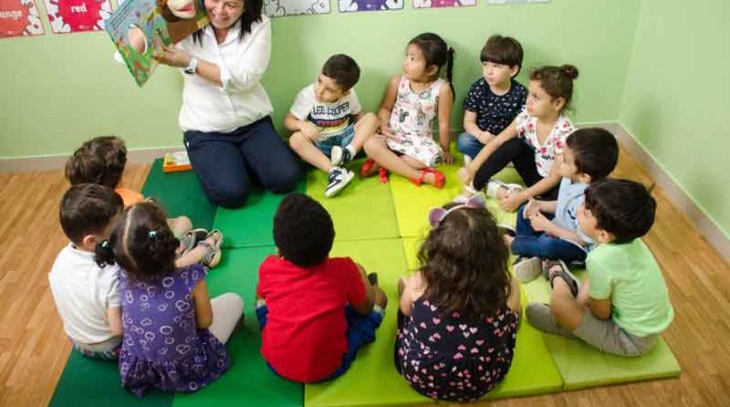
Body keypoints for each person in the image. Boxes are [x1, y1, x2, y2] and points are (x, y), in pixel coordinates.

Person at [153, 0, 300, 208]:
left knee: (286, 178)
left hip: (252, 123)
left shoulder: (258, 25)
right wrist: (162, 15)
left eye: (231, 5)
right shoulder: (183, 24)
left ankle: (240, 162)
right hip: (206, 129)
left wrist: (190, 62)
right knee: (232, 195)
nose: (220, 11)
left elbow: (244, 79)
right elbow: (133, 51)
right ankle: (227, 164)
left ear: (245, 4)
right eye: (213, 0)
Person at [96, 201, 244, 396]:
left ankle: (200, 249)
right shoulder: (190, 277)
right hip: (186, 366)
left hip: (141, 366)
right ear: (166, 242)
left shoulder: (121, 275)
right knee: (235, 300)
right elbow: (205, 322)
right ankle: (205, 247)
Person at [525, 179, 674, 357]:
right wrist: (581, 304)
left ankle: (558, 276)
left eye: (586, 212)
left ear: (603, 234)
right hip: (643, 327)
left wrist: (575, 314)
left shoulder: (602, 259)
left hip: (630, 340)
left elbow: (601, 313)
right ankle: (565, 286)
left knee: (559, 307)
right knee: (590, 290)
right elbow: (597, 278)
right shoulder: (629, 242)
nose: (579, 209)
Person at [396, 193, 521, 402]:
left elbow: (405, 311)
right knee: (512, 316)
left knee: (410, 302)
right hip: (483, 380)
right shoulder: (507, 287)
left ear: (436, 248)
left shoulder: (422, 281)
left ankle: (405, 288)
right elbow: (513, 321)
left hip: (422, 376)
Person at [255, 193, 388, 382]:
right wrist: (359, 272)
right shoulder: (345, 269)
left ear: (279, 249)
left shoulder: (268, 267)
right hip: (330, 368)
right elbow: (365, 308)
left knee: (262, 304)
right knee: (380, 299)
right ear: (330, 242)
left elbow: (261, 298)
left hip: (275, 363)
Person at [459, 65, 580, 211]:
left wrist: (521, 197)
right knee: (513, 144)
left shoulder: (564, 133)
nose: (528, 101)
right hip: (535, 173)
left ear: (557, 103)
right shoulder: (527, 116)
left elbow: (554, 178)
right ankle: (475, 186)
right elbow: (497, 141)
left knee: (559, 205)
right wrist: (472, 168)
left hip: (553, 184)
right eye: (529, 94)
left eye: (536, 97)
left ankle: (501, 191)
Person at [508, 128, 619, 279]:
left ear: (584, 176)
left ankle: (516, 244)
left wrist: (549, 227)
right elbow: (563, 206)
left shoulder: (592, 201)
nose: (559, 160)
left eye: (565, 160)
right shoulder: (570, 177)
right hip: (558, 226)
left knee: (548, 245)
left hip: (576, 247)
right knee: (524, 211)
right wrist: (540, 205)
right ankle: (532, 253)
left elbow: (583, 240)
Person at [362, 32, 455, 188]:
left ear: (431, 69)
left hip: (419, 141)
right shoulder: (397, 82)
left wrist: (445, 149)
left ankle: (386, 163)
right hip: (392, 135)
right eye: (407, 56)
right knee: (370, 144)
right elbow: (385, 108)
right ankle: (419, 176)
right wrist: (384, 126)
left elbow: (444, 123)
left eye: (413, 59)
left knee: (435, 157)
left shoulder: (443, 89)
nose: (406, 62)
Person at [285, 54, 379, 197]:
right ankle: (335, 172)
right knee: (295, 139)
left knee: (372, 118)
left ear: (344, 92)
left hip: (345, 142)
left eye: (329, 89)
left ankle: (348, 154)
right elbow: (288, 121)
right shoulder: (308, 95)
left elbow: (359, 115)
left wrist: (370, 131)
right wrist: (301, 125)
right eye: (319, 81)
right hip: (320, 144)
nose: (320, 90)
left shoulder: (350, 95)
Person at [48, 184, 124, 360]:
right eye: (116, 228)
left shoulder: (62, 257)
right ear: (91, 241)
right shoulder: (110, 274)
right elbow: (117, 330)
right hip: (109, 346)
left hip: (76, 339)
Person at [65, 135, 193, 238]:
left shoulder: (81, 206)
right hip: (140, 251)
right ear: (119, 173)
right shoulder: (131, 199)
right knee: (183, 222)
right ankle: (176, 249)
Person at [457, 35, 527, 164]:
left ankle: (494, 159)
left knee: (525, 145)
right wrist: (480, 135)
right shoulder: (478, 87)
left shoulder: (521, 93)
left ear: (513, 70)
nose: (489, 71)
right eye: (485, 64)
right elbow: (468, 122)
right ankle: (494, 160)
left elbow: (521, 125)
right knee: (463, 141)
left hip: (505, 141)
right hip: (482, 139)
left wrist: (501, 140)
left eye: (496, 66)